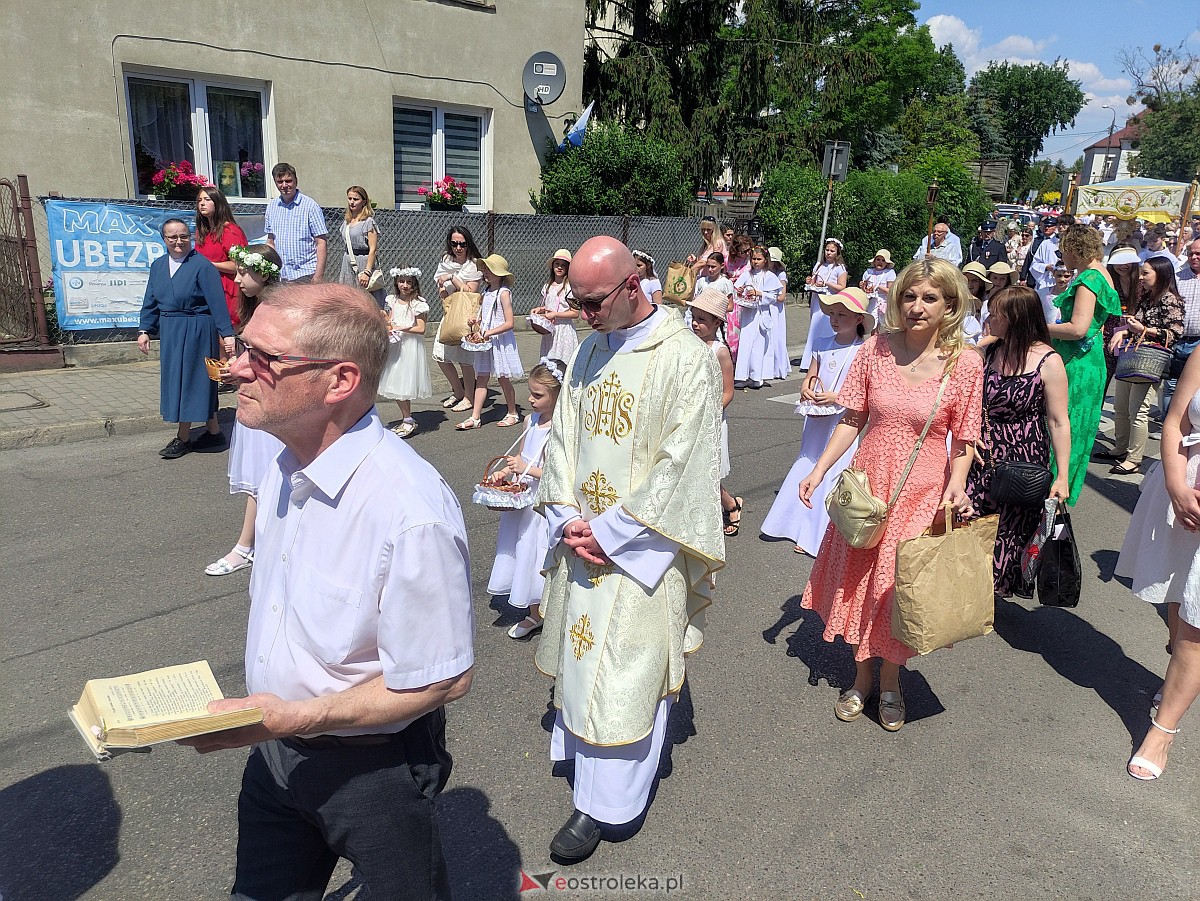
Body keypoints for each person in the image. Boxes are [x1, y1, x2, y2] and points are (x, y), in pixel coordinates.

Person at [179, 283, 474, 900]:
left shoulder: (408, 510)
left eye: (263, 357)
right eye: (241, 348)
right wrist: (278, 722)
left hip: (375, 769)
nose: (237, 369)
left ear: (339, 381)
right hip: (275, 753)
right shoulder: (283, 464)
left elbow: (440, 679)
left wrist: (299, 716)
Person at [533, 236, 723, 863]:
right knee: (584, 657)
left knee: (625, 673)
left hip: (641, 548)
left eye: (592, 302)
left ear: (632, 285)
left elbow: (684, 460)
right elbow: (563, 437)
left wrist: (611, 531)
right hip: (583, 538)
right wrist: (566, 516)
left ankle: (606, 804)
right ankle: (584, 766)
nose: (582, 314)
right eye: (577, 301)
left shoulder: (685, 357)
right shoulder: (591, 345)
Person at [798, 259, 983, 732]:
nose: (917, 307)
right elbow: (853, 417)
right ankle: (862, 678)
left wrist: (957, 485)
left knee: (897, 589)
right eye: (910, 296)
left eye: (930, 298)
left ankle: (891, 682)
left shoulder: (965, 363)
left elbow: (964, 438)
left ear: (949, 305)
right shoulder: (875, 349)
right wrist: (818, 470)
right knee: (860, 583)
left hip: (922, 492)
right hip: (868, 488)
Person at [1115, 344, 1200, 780]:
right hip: (1186, 493)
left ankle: (1161, 732)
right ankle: (1177, 679)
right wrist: (1176, 485)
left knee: (1196, 628)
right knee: (1177, 596)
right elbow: (1175, 422)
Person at [965, 286, 1071, 597]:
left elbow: (1059, 421)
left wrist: (1062, 476)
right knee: (972, 518)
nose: (988, 318)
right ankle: (969, 589)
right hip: (983, 453)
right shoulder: (990, 351)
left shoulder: (1048, 360)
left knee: (1010, 528)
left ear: (1016, 319)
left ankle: (989, 594)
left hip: (1024, 458)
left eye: (996, 314)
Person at [761, 288, 870, 556]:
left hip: (843, 417)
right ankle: (792, 522)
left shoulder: (863, 350)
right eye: (832, 314)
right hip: (817, 415)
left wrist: (836, 396)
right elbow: (812, 375)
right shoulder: (822, 343)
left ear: (858, 318)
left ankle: (817, 532)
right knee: (809, 460)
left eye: (842, 315)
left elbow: (863, 391)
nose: (835, 319)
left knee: (833, 467)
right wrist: (807, 389)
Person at [206, 244, 284, 577]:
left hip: (272, 404)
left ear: (263, 274)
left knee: (270, 476)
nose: (236, 279)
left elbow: (277, 359)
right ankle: (251, 545)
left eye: (243, 272)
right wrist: (237, 366)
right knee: (262, 478)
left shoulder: (277, 310)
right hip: (253, 399)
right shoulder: (256, 308)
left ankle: (246, 547)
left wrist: (242, 368)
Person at [137, 219, 235, 459]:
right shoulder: (158, 266)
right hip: (171, 330)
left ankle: (183, 437)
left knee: (193, 381)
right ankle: (214, 432)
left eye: (183, 236)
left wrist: (227, 334)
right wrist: (144, 329)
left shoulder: (202, 266)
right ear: (164, 239)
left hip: (198, 328)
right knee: (178, 381)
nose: (178, 241)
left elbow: (217, 303)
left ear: (190, 237)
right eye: (173, 237)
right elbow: (150, 300)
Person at [486, 358, 564, 640]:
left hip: (541, 503)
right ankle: (534, 611)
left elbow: (558, 472)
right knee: (522, 551)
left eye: (538, 395)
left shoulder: (560, 428)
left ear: (557, 395)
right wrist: (505, 472)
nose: (530, 399)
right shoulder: (531, 421)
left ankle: (547, 610)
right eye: (530, 393)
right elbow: (520, 456)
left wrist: (526, 469)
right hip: (522, 499)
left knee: (539, 553)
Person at [1046, 224, 1122, 504]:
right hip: (1090, 359)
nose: (1062, 256)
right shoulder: (1102, 273)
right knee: (1077, 425)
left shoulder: (1088, 278)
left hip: (1077, 362)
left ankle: (1053, 490)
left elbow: (1078, 328)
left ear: (1074, 249)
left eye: (1063, 250)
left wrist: (1038, 327)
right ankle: (1060, 490)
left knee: (1063, 424)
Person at [1100, 256, 1184, 475]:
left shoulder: (1170, 299)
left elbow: (1175, 333)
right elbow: (1136, 323)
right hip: (1132, 356)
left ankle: (1134, 458)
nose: (1141, 277)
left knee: (1138, 411)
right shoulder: (1146, 296)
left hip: (1150, 360)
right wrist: (1124, 331)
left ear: (1160, 274)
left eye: (1146, 273)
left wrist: (1144, 330)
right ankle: (1120, 447)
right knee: (1121, 406)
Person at [688, 288, 741, 535]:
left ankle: (731, 505)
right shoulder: (688, 345)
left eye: (702, 319)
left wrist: (709, 414)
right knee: (690, 468)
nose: (695, 324)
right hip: (688, 415)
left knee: (706, 471)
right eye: (693, 317)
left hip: (710, 419)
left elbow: (728, 392)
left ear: (717, 322)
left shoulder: (719, 351)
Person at [457, 253, 523, 430]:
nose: (485, 272)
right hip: (486, 340)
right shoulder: (486, 292)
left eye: (489, 269)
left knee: (503, 378)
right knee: (482, 377)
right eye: (485, 269)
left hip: (500, 341)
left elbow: (509, 322)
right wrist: (476, 322)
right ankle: (475, 417)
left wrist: (488, 332)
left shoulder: (504, 293)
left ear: (499, 274)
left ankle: (512, 413)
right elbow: (486, 317)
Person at [432, 226, 484, 412]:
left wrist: (452, 278)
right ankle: (458, 391)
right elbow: (441, 287)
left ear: (468, 244)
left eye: (462, 244)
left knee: (465, 359)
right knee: (441, 355)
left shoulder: (474, 265)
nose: (458, 248)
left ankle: (469, 397)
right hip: (450, 313)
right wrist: (443, 290)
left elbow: (470, 292)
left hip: (466, 317)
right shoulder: (446, 261)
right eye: (454, 244)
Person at [379, 267, 433, 438]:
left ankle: (408, 419)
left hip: (409, 347)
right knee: (394, 381)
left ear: (414, 284)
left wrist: (400, 327)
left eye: (409, 282)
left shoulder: (418, 304)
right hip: (395, 345)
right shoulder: (392, 300)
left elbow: (421, 328)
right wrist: (387, 322)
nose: (405, 285)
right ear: (396, 282)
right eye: (401, 281)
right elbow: (390, 320)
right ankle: (406, 417)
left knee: (403, 382)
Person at [193, 186, 248, 329]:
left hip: (227, 291)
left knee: (227, 336)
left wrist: (209, 265)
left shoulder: (230, 231)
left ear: (218, 203)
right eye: (199, 200)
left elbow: (239, 266)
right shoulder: (202, 232)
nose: (202, 203)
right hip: (206, 289)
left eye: (207, 199)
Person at [264, 163, 328, 283]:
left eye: (288, 181)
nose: (284, 185)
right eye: (280, 182)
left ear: (296, 181)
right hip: (281, 275)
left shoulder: (310, 206)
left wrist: (318, 276)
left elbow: (321, 242)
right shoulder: (271, 207)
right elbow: (271, 241)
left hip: (306, 274)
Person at [733, 245, 784, 388]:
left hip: (761, 314)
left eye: (758, 259)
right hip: (748, 314)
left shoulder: (769, 276)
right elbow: (737, 289)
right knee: (745, 343)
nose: (755, 262)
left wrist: (759, 293)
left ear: (765, 260)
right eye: (754, 259)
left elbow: (774, 297)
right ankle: (742, 375)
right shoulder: (747, 274)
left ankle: (757, 376)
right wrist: (741, 290)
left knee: (758, 345)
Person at [1163, 237, 1200, 412]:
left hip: (1198, 343)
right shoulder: (1177, 278)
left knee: (1194, 388)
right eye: (1191, 253)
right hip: (1177, 340)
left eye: (1198, 254)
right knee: (1171, 385)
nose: (1193, 257)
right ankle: (1167, 423)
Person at [802, 238, 849, 369]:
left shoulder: (840, 268)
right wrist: (810, 281)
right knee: (815, 328)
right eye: (827, 250)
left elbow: (842, 287)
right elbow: (814, 280)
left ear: (837, 253)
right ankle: (810, 360)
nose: (828, 253)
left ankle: (828, 356)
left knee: (827, 328)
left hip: (830, 301)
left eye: (832, 251)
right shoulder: (819, 265)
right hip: (817, 300)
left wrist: (827, 283)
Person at [338, 185, 384, 307]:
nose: (352, 202)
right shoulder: (347, 222)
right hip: (347, 260)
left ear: (363, 201)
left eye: (356, 199)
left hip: (363, 261)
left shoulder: (368, 222)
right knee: (348, 297)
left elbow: (373, 249)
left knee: (366, 298)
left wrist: (367, 272)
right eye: (350, 199)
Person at [530, 249, 579, 361]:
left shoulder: (569, 287)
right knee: (548, 362)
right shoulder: (548, 286)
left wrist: (555, 314)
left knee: (562, 362)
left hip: (564, 331)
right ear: (553, 266)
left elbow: (575, 313)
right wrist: (540, 309)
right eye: (557, 264)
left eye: (563, 265)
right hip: (549, 330)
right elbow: (548, 306)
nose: (559, 267)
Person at [766, 246, 791, 381]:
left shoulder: (780, 274)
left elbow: (781, 296)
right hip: (766, 306)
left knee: (776, 335)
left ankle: (778, 367)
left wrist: (767, 296)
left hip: (776, 308)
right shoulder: (765, 273)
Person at [859, 249, 895, 316]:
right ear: (874, 261)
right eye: (878, 259)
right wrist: (862, 286)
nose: (880, 262)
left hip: (883, 303)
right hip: (869, 302)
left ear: (886, 263)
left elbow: (891, 291)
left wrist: (878, 287)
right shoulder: (868, 272)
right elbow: (864, 289)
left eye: (883, 260)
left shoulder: (889, 273)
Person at [961, 261, 989, 344]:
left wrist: (976, 347)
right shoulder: (956, 301)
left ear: (981, 283)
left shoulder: (987, 304)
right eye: (967, 280)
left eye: (974, 281)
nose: (969, 284)